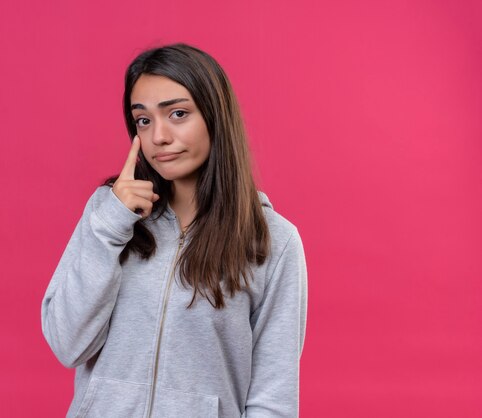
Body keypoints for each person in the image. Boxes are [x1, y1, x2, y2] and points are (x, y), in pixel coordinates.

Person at [41, 43, 308, 418]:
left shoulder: (272, 242)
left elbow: (274, 397)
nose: (159, 136)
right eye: (143, 120)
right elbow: (68, 345)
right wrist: (112, 225)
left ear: (215, 117)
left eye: (178, 114)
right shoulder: (109, 216)